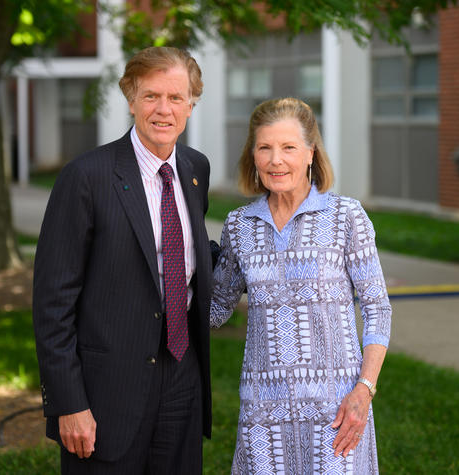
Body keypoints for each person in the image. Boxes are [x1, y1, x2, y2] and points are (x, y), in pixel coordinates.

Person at [33, 46, 213, 474]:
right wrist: (68, 402)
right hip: (106, 391)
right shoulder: (86, 177)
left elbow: (187, 256)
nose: (163, 109)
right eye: (151, 96)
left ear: (191, 103)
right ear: (131, 100)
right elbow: (52, 302)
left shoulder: (195, 170)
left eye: (175, 97)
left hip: (182, 378)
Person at [211, 97, 392, 474]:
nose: (276, 160)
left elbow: (377, 308)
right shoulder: (239, 226)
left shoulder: (346, 216)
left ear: (311, 153)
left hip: (337, 408)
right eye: (265, 148)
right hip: (264, 413)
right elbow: (214, 309)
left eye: (288, 147)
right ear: (253, 156)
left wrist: (365, 390)